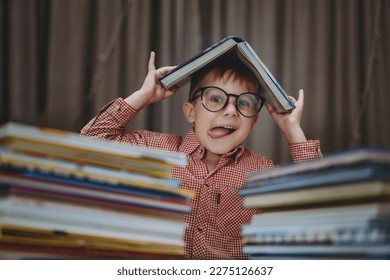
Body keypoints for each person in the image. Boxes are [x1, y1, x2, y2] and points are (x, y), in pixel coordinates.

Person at [81, 51, 322, 259]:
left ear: (254, 121)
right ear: (191, 112)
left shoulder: (262, 171)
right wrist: (143, 97)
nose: (230, 111)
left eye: (244, 103)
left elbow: (317, 208)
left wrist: (293, 131)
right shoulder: (154, 149)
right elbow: (89, 144)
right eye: (215, 98)